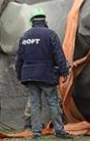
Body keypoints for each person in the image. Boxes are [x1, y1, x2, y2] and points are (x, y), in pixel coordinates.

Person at [15, 9, 71, 139]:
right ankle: (59, 131)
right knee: (53, 102)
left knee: (34, 103)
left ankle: (36, 132)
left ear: (31, 21)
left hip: (30, 76)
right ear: (45, 20)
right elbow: (59, 55)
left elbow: (19, 60)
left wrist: (20, 75)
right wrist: (64, 71)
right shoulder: (50, 34)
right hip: (47, 75)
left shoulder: (25, 37)